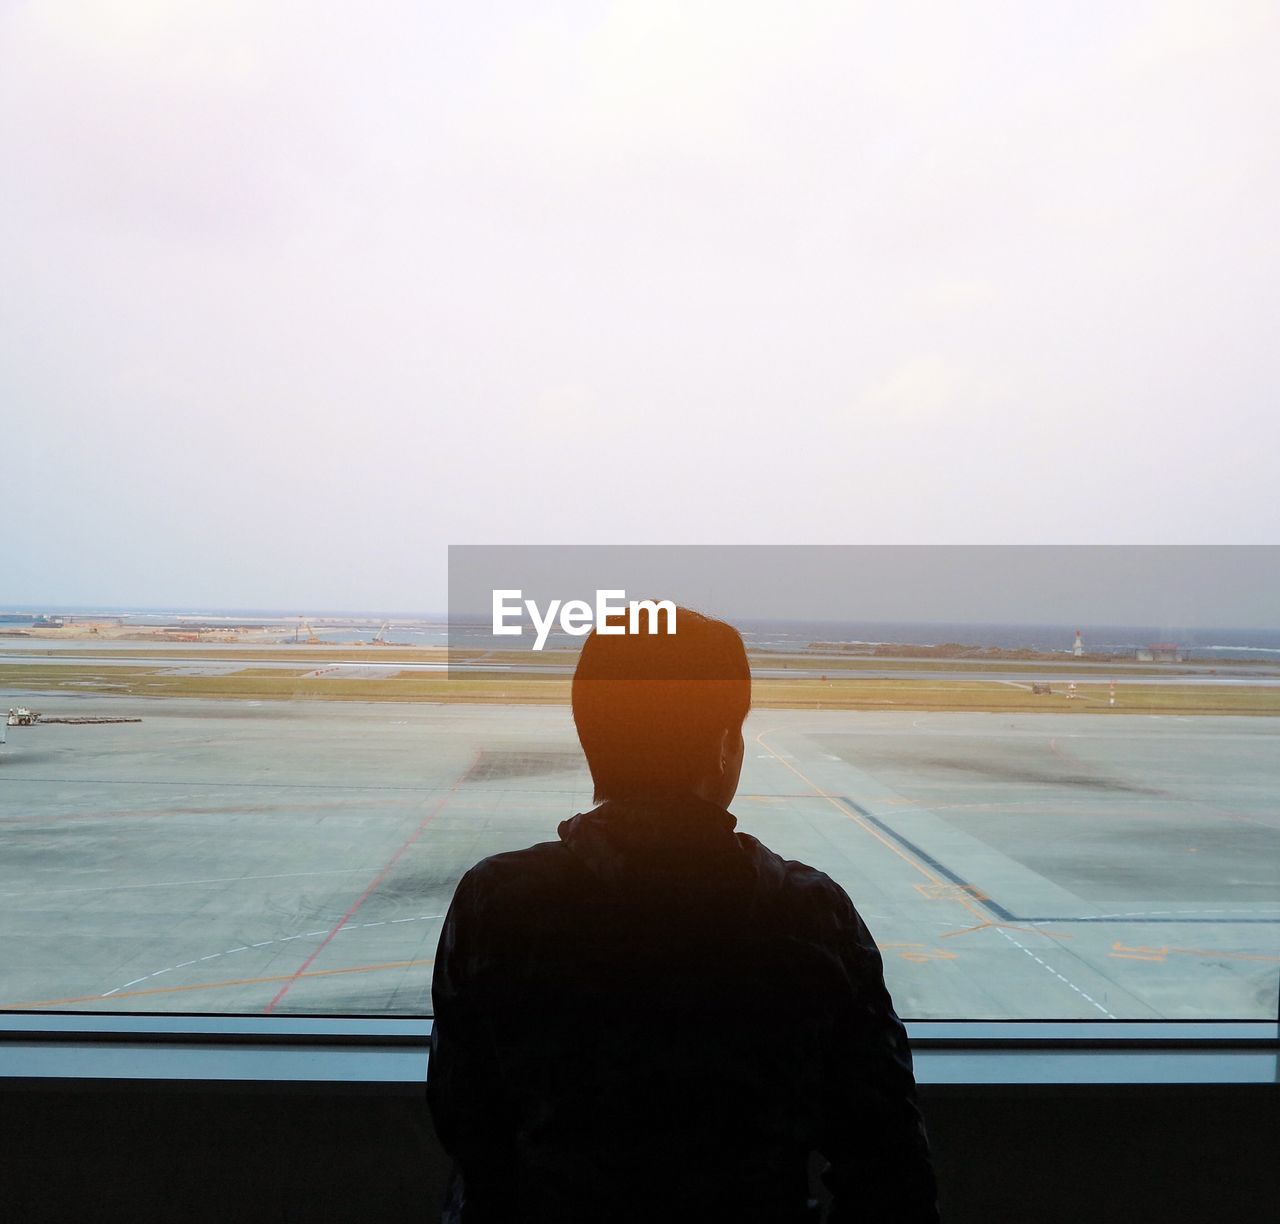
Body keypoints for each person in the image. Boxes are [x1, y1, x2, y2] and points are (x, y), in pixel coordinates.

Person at [428, 607, 939, 1222]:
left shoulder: (497, 902)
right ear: (725, 746)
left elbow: (469, 1127)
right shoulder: (808, 914)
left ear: (591, 740)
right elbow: (889, 1167)